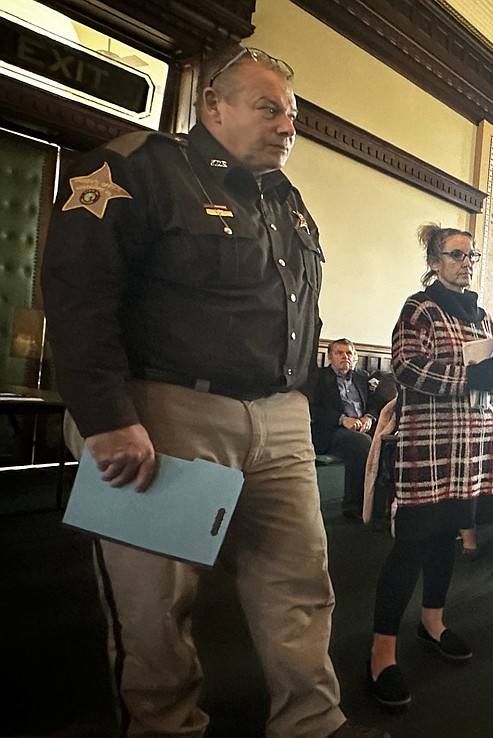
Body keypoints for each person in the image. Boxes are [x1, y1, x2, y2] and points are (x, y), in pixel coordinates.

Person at [41, 46, 384, 738]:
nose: (288, 124)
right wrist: (106, 417)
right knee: (158, 604)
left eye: (293, 113)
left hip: (279, 420)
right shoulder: (142, 169)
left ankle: (312, 724)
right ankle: (166, 727)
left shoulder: (287, 202)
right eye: (268, 107)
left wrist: (301, 410)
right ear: (213, 106)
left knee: (300, 587)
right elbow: (80, 298)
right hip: (170, 415)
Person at [368, 223, 493, 711]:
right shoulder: (420, 308)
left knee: (449, 534)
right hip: (429, 445)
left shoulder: (481, 313)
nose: (465, 262)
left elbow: (489, 373)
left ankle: (433, 622)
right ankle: (381, 652)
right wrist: (469, 374)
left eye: (471, 255)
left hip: (471, 442)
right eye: (456, 254)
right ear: (434, 261)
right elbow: (406, 369)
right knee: (411, 543)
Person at [310, 338, 375, 521]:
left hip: (362, 427)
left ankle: (381, 504)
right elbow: (312, 408)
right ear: (330, 357)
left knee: (386, 439)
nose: (344, 356)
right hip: (330, 430)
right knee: (360, 443)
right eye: (339, 353)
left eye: (349, 353)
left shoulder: (363, 378)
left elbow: (375, 403)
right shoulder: (318, 377)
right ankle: (354, 507)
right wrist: (342, 420)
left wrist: (368, 418)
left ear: (355, 357)